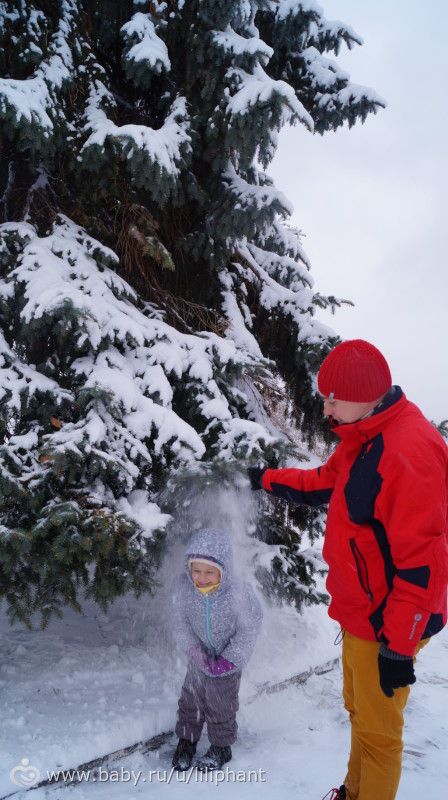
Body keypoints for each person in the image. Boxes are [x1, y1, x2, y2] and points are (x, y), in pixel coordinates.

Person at [248, 339, 448, 800]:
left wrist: (398, 645)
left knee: (380, 736)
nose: (326, 405)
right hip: (364, 612)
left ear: (366, 394)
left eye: (333, 397)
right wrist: (265, 478)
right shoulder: (365, 436)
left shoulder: (410, 449)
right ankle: (352, 792)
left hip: (390, 620)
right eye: (324, 395)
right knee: (360, 711)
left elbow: (424, 562)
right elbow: (322, 482)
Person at [172, 527, 262, 772]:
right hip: (199, 657)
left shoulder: (238, 594)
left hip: (227, 661)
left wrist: (230, 660)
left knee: (220, 703)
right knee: (190, 699)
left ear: (223, 571)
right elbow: (180, 623)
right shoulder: (185, 590)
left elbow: (249, 628)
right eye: (196, 571)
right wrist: (193, 651)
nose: (201, 578)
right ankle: (187, 740)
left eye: (210, 572)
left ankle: (221, 746)